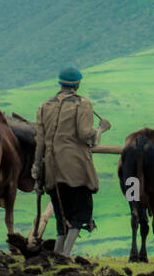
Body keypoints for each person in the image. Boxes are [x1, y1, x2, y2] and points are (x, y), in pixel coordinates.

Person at [33, 66, 103, 260]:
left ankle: (57, 252)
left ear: (60, 83)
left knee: (60, 209)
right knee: (81, 211)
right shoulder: (83, 104)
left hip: (51, 171)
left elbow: (40, 141)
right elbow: (84, 134)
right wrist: (100, 129)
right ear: (78, 84)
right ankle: (65, 255)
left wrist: (37, 168)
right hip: (76, 169)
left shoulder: (44, 106)